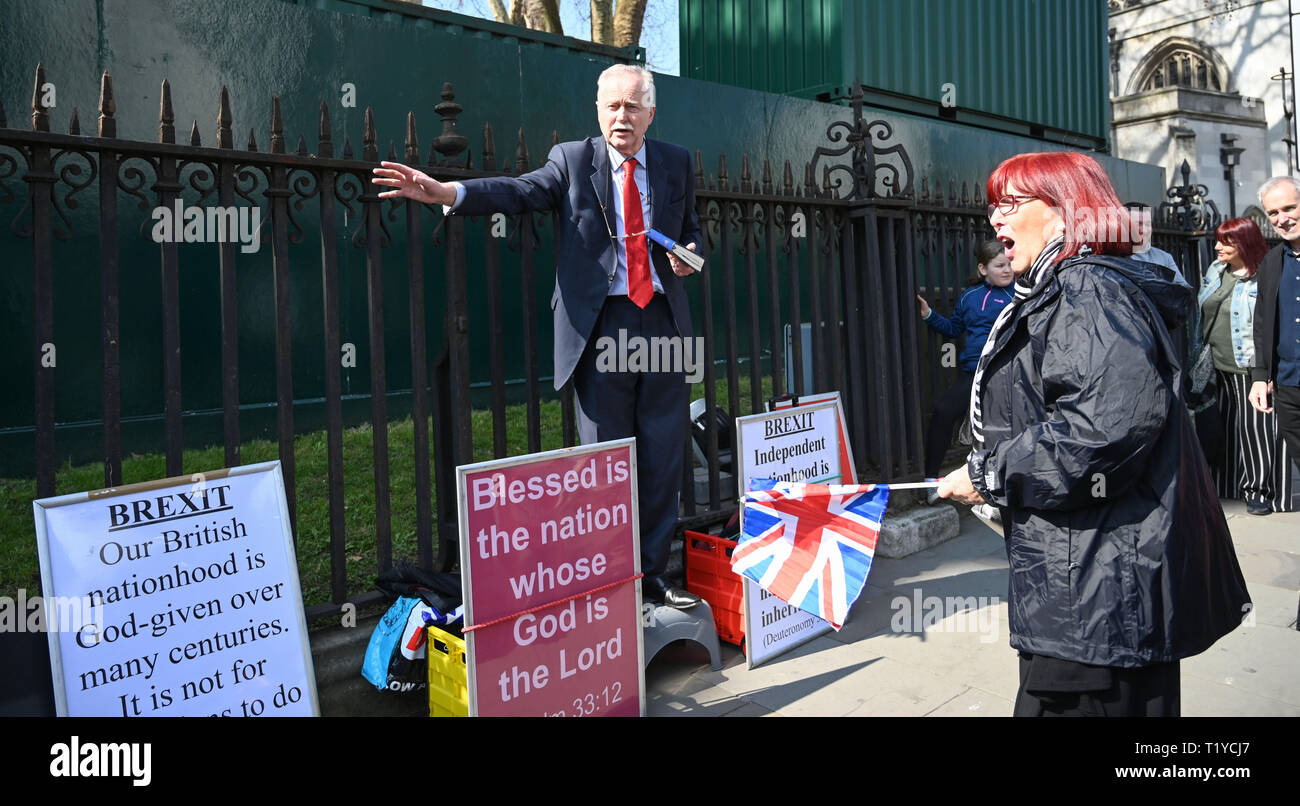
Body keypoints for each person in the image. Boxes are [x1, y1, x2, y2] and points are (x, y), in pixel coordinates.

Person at [372, 64, 704, 609]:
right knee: (605, 462)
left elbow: (691, 228)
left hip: (662, 323)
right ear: (598, 111)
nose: (622, 116)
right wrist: (446, 192)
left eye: (633, 106)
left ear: (650, 113)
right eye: (612, 106)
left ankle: (652, 574)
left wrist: (690, 254)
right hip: (601, 326)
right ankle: (613, 580)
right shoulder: (574, 160)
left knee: (664, 456)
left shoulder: (675, 162)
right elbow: (520, 191)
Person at [938, 151, 1250, 717]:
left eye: (1012, 204)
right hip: (1086, 577)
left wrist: (987, 474)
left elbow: (1100, 431)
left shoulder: (1086, 290)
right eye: (993, 207)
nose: (996, 221)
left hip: (1097, 585)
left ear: (1064, 212)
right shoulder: (1065, 288)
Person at [1197, 217, 1294, 515]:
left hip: (1251, 365)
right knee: (1225, 428)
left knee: (1257, 430)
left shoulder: (1265, 274)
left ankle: (1258, 491)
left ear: (1243, 244)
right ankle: (1227, 488)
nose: (1217, 247)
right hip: (1218, 364)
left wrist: (1265, 371)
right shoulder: (1216, 271)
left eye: (1225, 242)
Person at [915, 239, 1013, 504]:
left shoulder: (1021, 293)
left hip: (1009, 375)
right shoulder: (969, 297)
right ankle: (931, 482)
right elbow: (953, 329)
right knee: (944, 410)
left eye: (1010, 264)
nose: (1007, 270)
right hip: (974, 375)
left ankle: (998, 487)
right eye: (1000, 265)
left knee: (1003, 430)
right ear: (983, 269)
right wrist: (929, 315)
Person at [1249, 177, 1300, 491]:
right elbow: (1263, 321)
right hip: (1288, 388)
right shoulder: (1272, 262)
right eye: (1274, 213)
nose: (1283, 218)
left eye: (1290, 208)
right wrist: (1259, 375)